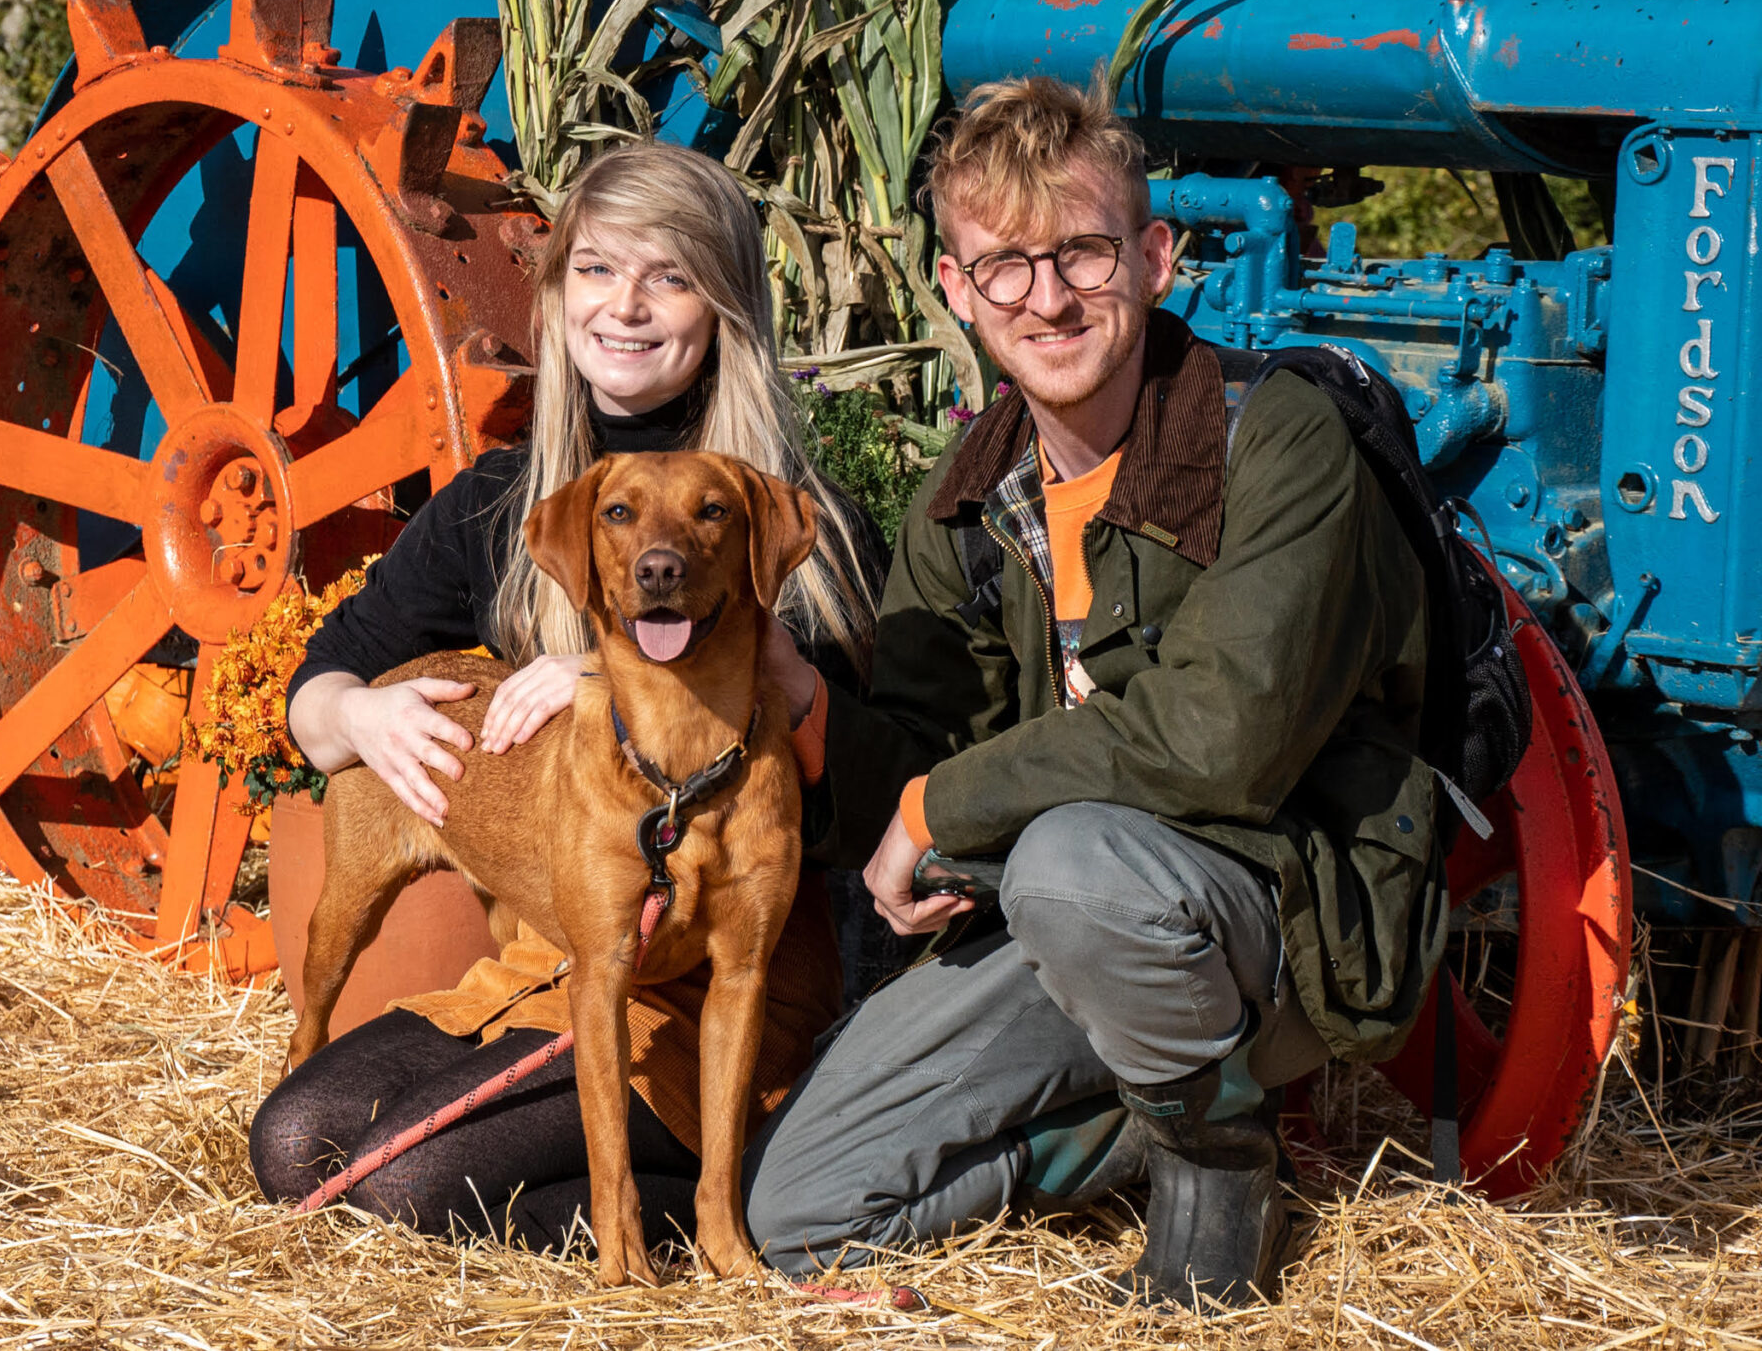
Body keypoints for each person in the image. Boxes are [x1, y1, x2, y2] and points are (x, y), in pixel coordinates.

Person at [742, 77, 1445, 1307]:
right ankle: (1134, 1131)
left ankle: (1220, 1163)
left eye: (1083, 253)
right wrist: (802, 702)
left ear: (1155, 257)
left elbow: (1215, 744)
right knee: (803, 1210)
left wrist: (943, 807)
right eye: (1004, 267)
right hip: (1069, 927)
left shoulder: (1273, 439)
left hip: (1287, 919)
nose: (1049, 298)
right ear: (956, 293)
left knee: (1070, 858)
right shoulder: (963, 508)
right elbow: (912, 767)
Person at [249, 141, 882, 1256]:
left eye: (670, 277)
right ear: (554, 294)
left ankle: (723, 1207)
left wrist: (609, 665)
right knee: (298, 1142)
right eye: (596, 270)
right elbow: (323, 678)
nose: (625, 308)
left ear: (724, 305)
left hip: (733, 993)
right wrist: (361, 719)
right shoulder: (501, 504)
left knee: (411, 1186)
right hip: (560, 968)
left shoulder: (794, 526)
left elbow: (868, 790)